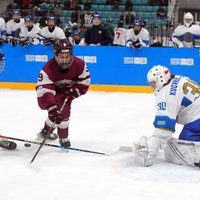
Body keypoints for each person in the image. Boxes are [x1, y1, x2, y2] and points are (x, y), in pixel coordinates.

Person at [133, 65, 200, 167]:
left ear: (161, 79)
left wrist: (152, 146)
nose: (152, 86)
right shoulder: (178, 78)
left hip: (197, 120)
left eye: (153, 83)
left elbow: (165, 127)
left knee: (185, 148)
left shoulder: (167, 94)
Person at [36, 39, 90, 147]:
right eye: (61, 57)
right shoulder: (48, 68)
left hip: (68, 92)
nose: (64, 60)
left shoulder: (80, 64)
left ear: (71, 55)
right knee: (56, 114)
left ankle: (60, 136)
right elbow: (44, 90)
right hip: (53, 92)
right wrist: (52, 107)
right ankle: (47, 131)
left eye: (67, 57)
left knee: (64, 113)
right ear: (55, 56)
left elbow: (85, 81)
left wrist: (74, 92)